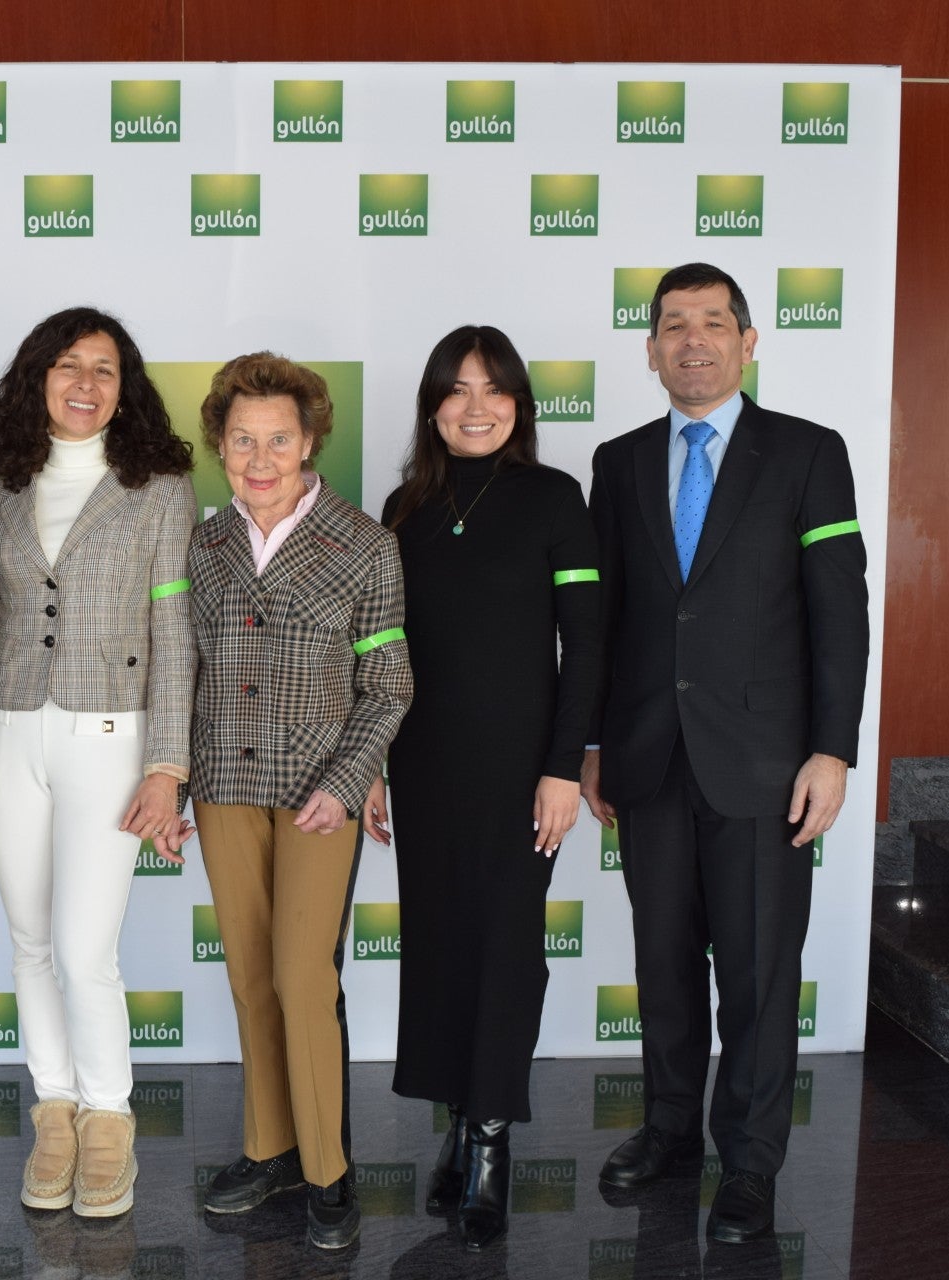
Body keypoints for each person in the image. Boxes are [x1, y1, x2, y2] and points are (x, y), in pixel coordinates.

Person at [583, 262, 868, 1243]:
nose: (692, 340)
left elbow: (839, 611)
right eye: (673, 324)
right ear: (650, 349)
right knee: (662, 965)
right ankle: (668, 1129)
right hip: (648, 760)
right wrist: (594, 743)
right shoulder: (619, 462)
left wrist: (833, 750)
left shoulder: (809, 453)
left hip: (765, 766)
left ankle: (749, 1162)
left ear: (748, 342)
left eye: (713, 322)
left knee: (756, 974)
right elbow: (607, 618)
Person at [0, 306, 197, 1218]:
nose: (85, 384)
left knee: (87, 950)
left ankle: (109, 1119)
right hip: (5, 731)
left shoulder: (160, 488)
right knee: (30, 940)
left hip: (113, 739)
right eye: (67, 366)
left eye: (104, 369)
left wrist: (168, 765)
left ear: (124, 389)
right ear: (37, 380)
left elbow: (175, 629)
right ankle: (53, 1111)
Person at [368, 324, 600, 1250]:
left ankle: (493, 1141)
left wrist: (563, 766)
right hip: (423, 765)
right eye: (457, 389)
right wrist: (372, 763)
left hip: (521, 771)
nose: (476, 407)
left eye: (494, 389)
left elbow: (586, 644)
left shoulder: (554, 497)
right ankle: (460, 1122)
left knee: (506, 948)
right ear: (433, 406)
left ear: (518, 405)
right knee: (442, 944)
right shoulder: (403, 507)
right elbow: (380, 650)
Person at [187, 353, 413, 1251]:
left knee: (302, 979)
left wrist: (348, 780)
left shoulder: (366, 545)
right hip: (224, 788)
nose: (260, 458)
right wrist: (173, 777)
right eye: (243, 439)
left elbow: (388, 686)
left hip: (320, 794)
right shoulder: (203, 546)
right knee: (249, 978)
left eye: (278, 439)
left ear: (310, 441)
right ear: (221, 445)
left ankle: (328, 1170)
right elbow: (184, 670)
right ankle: (267, 1149)